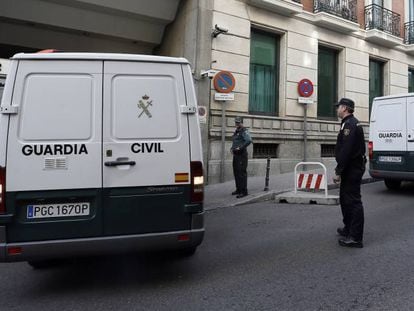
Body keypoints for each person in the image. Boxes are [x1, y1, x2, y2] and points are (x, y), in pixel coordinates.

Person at [333, 98, 366, 248]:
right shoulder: (348, 123)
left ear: (345, 108)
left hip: (352, 168)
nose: (337, 109)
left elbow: (346, 150)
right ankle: (348, 228)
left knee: (353, 201)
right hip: (351, 167)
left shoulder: (350, 125)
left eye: (338, 107)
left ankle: (356, 237)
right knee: (345, 200)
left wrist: (338, 171)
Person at [231, 116, 252, 198]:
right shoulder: (237, 131)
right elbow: (236, 141)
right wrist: (232, 148)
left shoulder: (244, 130)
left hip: (241, 155)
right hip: (236, 155)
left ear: (242, 123)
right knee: (236, 172)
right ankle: (238, 189)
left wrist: (240, 147)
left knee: (241, 173)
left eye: (238, 122)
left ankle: (244, 191)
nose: (237, 123)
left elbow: (249, 140)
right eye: (236, 122)